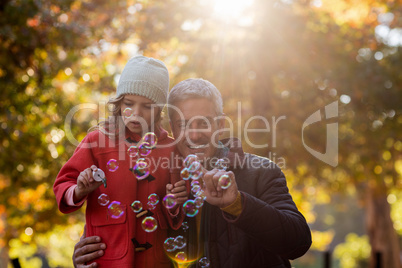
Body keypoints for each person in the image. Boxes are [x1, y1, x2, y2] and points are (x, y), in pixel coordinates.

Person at [72, 78, 312, 268]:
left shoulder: (261, 171)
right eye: (184, 124)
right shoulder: (155, 181)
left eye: (204, 123)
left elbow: (298, 242)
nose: (194, 134)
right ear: (171, 129)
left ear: (220, 125)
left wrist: (237, 205)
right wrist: (93, 257)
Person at [54, 56, 187, 268]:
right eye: (128, 103)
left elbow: (178, 213)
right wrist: (79, 190)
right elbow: (63, 185)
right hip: (106, 258)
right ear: (118, 103)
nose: (136, 114)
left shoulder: (170, 148)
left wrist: (175, 201)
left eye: (147, 106)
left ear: (160, 109)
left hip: (155, 261)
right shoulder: (97, 141)